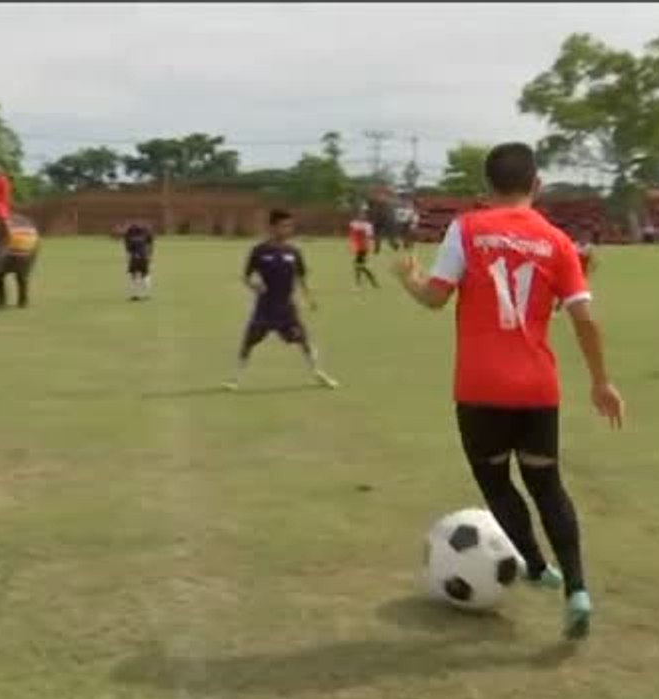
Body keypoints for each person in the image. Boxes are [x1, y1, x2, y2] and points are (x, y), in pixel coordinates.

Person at [392, 143, 624, 640]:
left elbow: (436, 298)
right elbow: (583, 318)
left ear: (485, 188)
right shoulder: (557, 241)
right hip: (538, 388)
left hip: (479, 388)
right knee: (548, 485)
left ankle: (537, 566)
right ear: (536, 185)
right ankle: (578, 590)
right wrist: (601, 382)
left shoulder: (466, 228)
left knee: (497, 484)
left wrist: (408, 279)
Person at [225, 209, 339, 391]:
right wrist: (254, 286)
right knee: (249, 341)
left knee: (304, 341)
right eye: (284, 226)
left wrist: (310, 298)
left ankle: (318, 373)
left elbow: (301, 278)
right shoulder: (260, 250)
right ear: (272, 227)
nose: (288, 229)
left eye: (290, 226)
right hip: (265, 308)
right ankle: (235, 378)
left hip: (286, 309)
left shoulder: (293, 251)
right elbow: (246, 276)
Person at [123, 220, 155, 301]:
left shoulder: (129, 237)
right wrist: (150, 256)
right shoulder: (145, 236)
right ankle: (147, 294)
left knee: (134, 276)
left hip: (134, 258)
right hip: (144, 257)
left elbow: (128, 250)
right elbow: (150, 244)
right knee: (146, 274)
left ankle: (135, 295)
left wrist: (128, 259)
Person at [347, 212, 380, 289]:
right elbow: (351, 235)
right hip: (357, 246)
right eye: (360, 216)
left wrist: (370, 245)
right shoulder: (353, 224)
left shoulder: (368, 226)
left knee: (358, 265)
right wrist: (351, 244)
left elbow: (369, 237)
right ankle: (371, 281)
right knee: (359, 265)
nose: (361, 217)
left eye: (363, 216)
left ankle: (360, 283)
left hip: (363, 247)